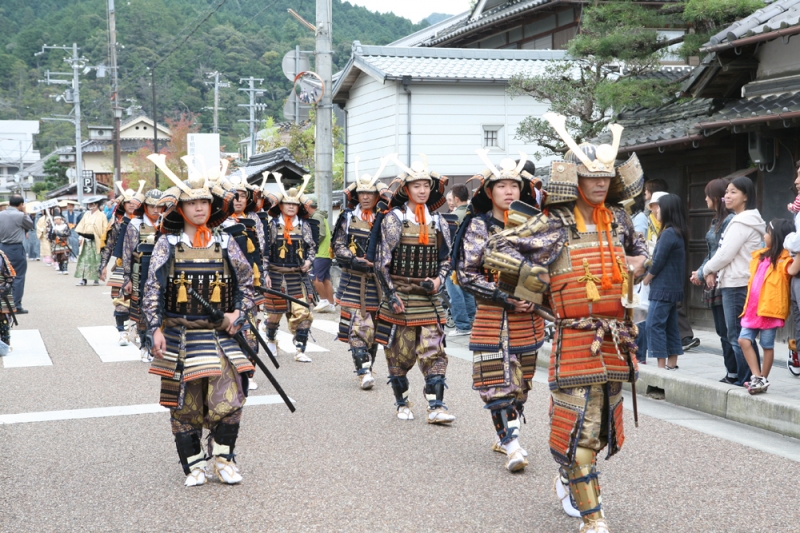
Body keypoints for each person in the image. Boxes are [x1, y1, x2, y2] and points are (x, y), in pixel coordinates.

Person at [484, 113, 647, 533]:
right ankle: (593, 516)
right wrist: (535, 280)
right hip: (576, 338)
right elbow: (496, 249)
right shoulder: (554, 223)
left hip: (616, 337)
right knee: (582, 428)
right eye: (591, 177)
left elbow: (641, 252)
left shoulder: (621, 219)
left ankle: (568, 477)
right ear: (574, 179)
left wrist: (639, 263)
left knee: (605, 428)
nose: (599, 184)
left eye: (606, 178)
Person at [144, 154, 255, 487]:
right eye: (192, 203)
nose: (199, 208)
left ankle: (224, 460)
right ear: (180, 208)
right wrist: (154, 327)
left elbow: (247, 283)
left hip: (221, 335)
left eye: (204, 202)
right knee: (184, 405)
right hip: (181, 336)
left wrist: (239, 314)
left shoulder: (226, 242)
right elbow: (152, 288)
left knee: (231, 399)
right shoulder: (167, 244)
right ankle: (193, 465)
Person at [455, 150, 545, 472]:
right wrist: (505, 297)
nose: (509, 191)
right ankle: (512, 445)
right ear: (489, 192)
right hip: (492, 316)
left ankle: (506, 432)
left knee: (522, 386)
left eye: (514, 186)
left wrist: (537, 295)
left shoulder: (534, 226)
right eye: (502, 186)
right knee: (496, 385)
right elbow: (467, 273)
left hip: (528, 320)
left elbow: (547, 267)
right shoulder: (478, 226)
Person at [374, 155, 455, 424]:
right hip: (400, 297)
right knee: (400, 354)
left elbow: (446, 258)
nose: (422, 191)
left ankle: (437, 406)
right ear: (406, 190)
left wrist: (440, 280)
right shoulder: (394, 220)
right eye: (416, 186)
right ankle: (402, 401)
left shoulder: (439, 222)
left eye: (426, 186)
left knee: (435, 350)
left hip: (429, 298)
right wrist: (390, 295)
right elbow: (381, 262)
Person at [331, 156, 392, 390]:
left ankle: (367, 365)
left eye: (370, 193)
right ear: (356, 196)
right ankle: (363, 370)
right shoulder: (347, 217)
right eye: (361, 193)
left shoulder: (385, 219)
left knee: (375, 328)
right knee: (359, 326)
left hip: (378, 282)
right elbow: (338, 245)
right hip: (353, 279)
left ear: (376, 196)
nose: (366, 197)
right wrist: (355, 259)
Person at [703, 176, 766, 386]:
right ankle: (748, 377)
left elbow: (725, 254)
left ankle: (746, 377)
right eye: (726, 192)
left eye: (733, 192)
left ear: (746, 196)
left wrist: (707, 270)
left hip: (737, 283)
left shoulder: (741, 222)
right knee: (740, 333)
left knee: (737, 335)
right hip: (740, 281)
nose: (727, 196)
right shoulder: (745, 219)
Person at [220, 171, 271, 387]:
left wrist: (264, 274)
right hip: (220, 284)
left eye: (242, 195)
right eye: (234, 195)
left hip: (248, 283)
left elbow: (260, 251)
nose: (239, 199)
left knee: (249, 328)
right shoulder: (217, 220)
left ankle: (247, 373)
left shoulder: (254, 220)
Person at [262, 175, 317, 363]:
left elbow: (312, 247)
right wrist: (265, 273)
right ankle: (270, 339)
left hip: (297, 276)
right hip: (275, 275)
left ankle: (300, 349)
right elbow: (265, 250)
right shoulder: (271, 225)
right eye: (287, 204)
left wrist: (309, 262)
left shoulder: (304, 226)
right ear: (281, 206)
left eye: (294, 204)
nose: (291, 207)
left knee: (303, 313)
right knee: (273, 315)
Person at [738, 219, 794, 394]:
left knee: (767, 345)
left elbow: (791, 272)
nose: (764, 235)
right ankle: (758, 377)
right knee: (743, 339)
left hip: (770, 311)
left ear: (777, 237)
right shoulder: (760, 257)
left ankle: (762, 378)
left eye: (767, 233)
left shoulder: (785, 261)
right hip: (753, 309)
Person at [691, 178, 736, 383]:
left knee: (728, 329)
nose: (706, 199)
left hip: (724, 279)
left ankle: (735, 372)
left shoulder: (729, 221)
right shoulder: (715, 220)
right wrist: (701, 271)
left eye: (708, 195)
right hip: (714, 278)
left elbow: (721, 253)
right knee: (722, 329)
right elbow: (711, 253)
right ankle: (732, 371)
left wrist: (704, 272)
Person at [643, 194, 687, 369]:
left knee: (653, 324)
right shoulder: (677, 232)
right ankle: (671, 363)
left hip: (663, 288)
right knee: (670, 326)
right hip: (672, 288)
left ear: (668, 210)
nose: (656, 211)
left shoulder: (668, 233)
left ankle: (661, 366)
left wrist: (646, 279)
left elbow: (658, 261)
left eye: (659, 208)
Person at [120, 189, 163, 362]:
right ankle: (145, 345)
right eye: (151, 206)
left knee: (161, 307)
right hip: (140, 270)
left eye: (159, 206)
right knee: (144, 308)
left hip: (161, 270)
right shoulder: (135, 224)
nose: (155, 210)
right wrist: (127, 277)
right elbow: (127, 252)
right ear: (145, 206)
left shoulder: (167, 223)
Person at [100, 182, 146, 345]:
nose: (132, 205)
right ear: (123, 205)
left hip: (141, 266)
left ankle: (141, 332)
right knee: (121, 302)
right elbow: (109, 245)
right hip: (121, 266)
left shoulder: (145, 223)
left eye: (135, 203)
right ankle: (123, 332)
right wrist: (103, 265)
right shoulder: (117, 223)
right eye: (128, 202)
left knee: (142, 300)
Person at [446, 184, 476, 337]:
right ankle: (471, 321)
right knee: (467, 290)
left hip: (455, 258)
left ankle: (462, 326)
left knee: (454, 292)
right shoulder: (474, 213)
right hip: (470, 258)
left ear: (456, 199)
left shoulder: (453, 217)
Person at [0, 195, 34, 313]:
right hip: (15, 248)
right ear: (21, 204)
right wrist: (25, 212)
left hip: (2, 247)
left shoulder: (1, 214)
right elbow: (30, 225)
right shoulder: (20, 215)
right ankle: (16, 305)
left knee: (3, 276)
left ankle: (3, 304)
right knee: (18, 276)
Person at [308, 197, 336, 314]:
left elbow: (321, 234)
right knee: (325, 278)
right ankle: (330, 304)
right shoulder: (319, 215)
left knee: (316, 278)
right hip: (325, 253)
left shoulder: (316, 216)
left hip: (321, 252)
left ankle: (323, 300)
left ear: (307, 206)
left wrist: (311, 245)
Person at [74, 196, 108, 287]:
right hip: (86, 240)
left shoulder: (102, 215)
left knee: (96, 259)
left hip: (96, 240)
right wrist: (80, 237)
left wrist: (102, 239)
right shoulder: (86, 214)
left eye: (92, 204)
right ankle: (83, 279)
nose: (90, 205)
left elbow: (104, 228)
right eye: (89, 204)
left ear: (96, 204)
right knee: (84, 259)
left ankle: (96, 278)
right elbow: (81, 225)